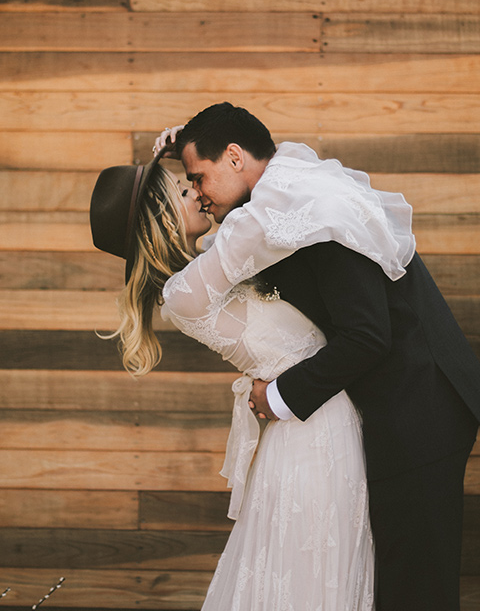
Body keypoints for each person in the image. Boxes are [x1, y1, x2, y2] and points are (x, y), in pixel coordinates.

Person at [152, 102, 480, 611]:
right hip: (406, 404)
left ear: (235, 158)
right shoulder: (286, 194)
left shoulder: (315, 210)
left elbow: (368, 337)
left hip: (420, 409)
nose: (198, 193)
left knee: (416, 589)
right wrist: (191, 143)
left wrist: (276, 397)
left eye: (199, 177)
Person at [90, 136, 376, 609]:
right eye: (185, 191)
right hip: (311, 432)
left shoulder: (208, 265)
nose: (199, 193)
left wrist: (203, 144)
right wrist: (220, 150)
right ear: (162, 220)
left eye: (194, 183)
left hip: (319, 418)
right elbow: (265, 212)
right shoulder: (184, 293)